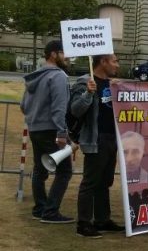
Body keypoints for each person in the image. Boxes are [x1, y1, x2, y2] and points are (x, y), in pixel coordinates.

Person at [70, 54, 124, 238]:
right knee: (90, 182)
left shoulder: (112, 83)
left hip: (111, 138)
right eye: (114, 61)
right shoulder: (85, 82)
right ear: (103, 62)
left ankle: (102, 220)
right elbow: (75, 110)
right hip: (95, 138)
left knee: (105, 182)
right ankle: (83, 223)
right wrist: (88, 93)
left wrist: (120, 88)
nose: (117, 65)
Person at [21, 39, 74, 223]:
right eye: (64, 53)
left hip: (35, 129)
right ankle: (50, 212)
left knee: (39, 169)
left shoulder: (34, 76)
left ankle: (40, 208)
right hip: (52, 130)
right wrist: (61, 133)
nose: (68, 58)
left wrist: (35, 117)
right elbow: (59, 108)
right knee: (65, 171)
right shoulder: (58, 76)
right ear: (54, 54)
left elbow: (23, 105)